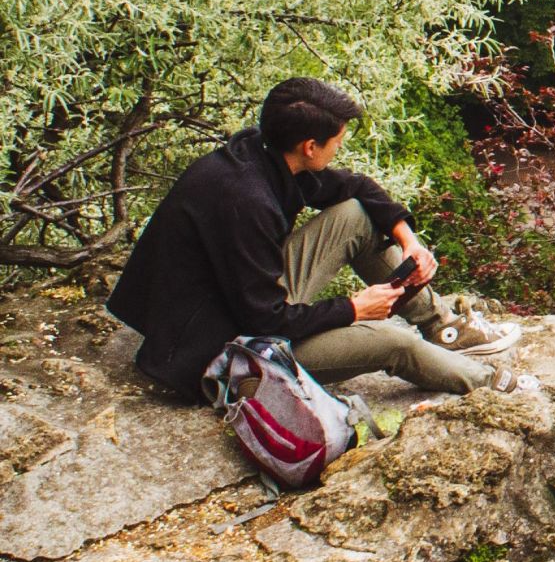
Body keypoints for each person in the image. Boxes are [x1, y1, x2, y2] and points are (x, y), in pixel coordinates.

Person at [109, 78, 530, 400]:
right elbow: (265, 320)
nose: (338, 152)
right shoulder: (247, 202)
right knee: (392, 341)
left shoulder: (263, 155)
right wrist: (353, 309)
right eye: (337, 143)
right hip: (220, 353)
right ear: (309, 146)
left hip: (229, 302)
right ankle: (492, 387)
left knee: (354, 216)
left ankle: (441, 327)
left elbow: (355, 187)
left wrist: (408, 240)